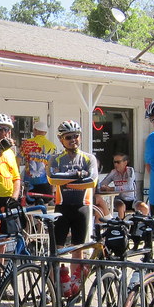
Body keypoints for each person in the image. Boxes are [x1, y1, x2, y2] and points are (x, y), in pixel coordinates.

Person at [47, 120, 98, 291]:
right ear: (61, 139)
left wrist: (67, 180)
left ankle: (77, 287)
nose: (73, 140)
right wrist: (77, 175)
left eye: (76, 136)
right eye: (68, 137)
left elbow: (91, 181)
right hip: (62, 207)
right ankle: (54, 288)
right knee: (57, 250)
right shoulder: (55, 159)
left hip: (82, 207)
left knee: (78, 250)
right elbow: (53, 179)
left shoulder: (89, 158)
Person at [20, 119, 56, 200]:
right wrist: (53, 188)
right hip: (45, 183)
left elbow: (17, 161)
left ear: (35, 130)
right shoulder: (52, 146)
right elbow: (52, 168)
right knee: (45, 209)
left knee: (30, 209)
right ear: (45, 132)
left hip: (29, 183)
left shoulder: (26, 144)